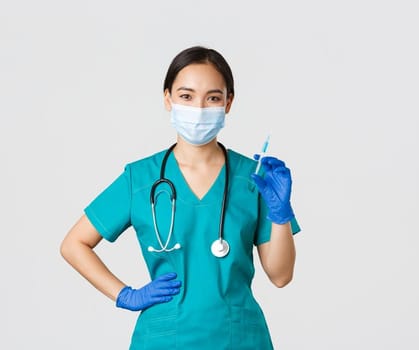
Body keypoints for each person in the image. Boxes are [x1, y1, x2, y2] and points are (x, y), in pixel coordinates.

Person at [59, 46, 301, 349]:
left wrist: (280, 216)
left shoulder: (254, 178)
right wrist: (125, 295)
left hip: (238, 338)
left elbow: (280, 276)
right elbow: (73, 245)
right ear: (167, 99)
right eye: (186, 96)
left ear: (228, 103)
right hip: (164, 338)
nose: (199, 108)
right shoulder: (141, 178)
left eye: (212, 97)